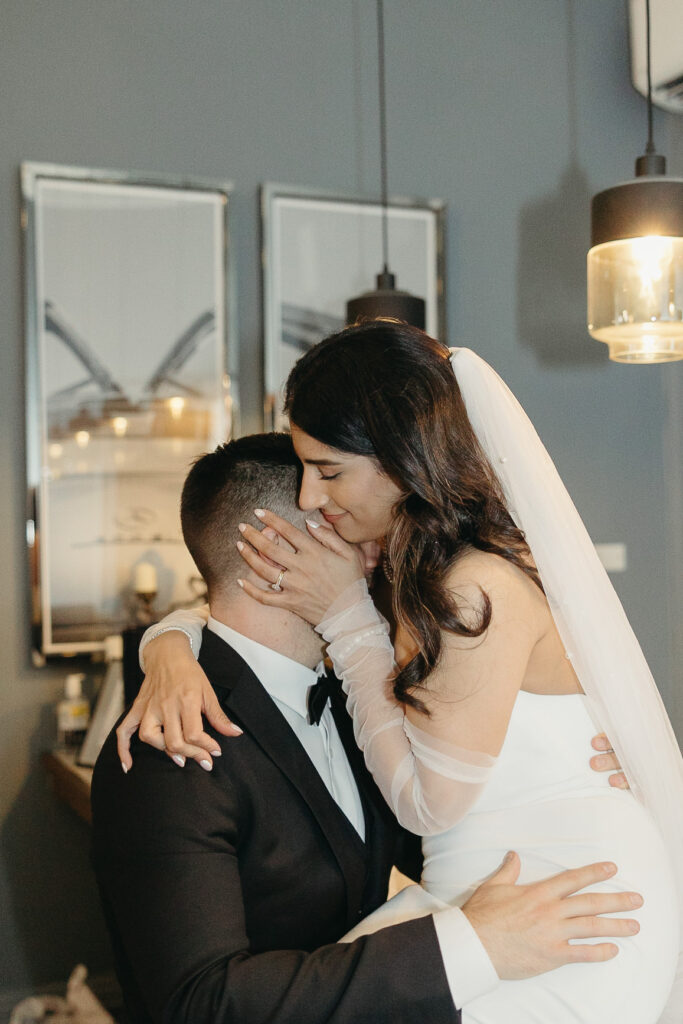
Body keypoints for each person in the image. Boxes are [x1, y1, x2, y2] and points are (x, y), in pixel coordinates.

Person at [119, 323, 683, 1023]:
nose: (319, 497)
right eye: (306, 477)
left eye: (328, 471)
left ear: (399, 459)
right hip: (495, 907)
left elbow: (424, 803)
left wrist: (346, 613)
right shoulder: (415, 586)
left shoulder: (458, 589)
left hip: (565, 902)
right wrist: (168, 644)